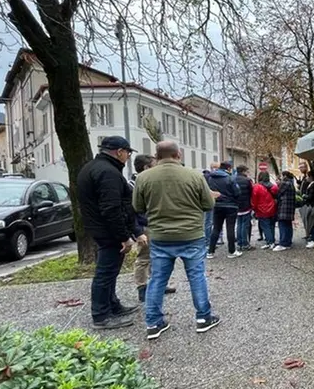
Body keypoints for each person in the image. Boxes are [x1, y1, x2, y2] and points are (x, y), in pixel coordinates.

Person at [132, 141, 220, 340]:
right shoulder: (194, 175)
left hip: (161, 236)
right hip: (191, 235)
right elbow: (208, 204)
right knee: (196, 276)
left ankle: (153, 323)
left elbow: (138, 206)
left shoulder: (143, 178)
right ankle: (203, 318)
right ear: (178, 155)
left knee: (157, 279)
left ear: (157, 155)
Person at [76, 136, 143, 330]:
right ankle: (101, 315)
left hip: (100, 228)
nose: (128, 157)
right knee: (105, 273)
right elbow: (112, 208)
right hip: (108, 231)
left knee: (110, 272)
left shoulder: (94, 167)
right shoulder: (108, 173)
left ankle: (112, 305)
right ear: (119, 151)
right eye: (128, 153)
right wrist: (124, 236)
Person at [128, 154, 176, 302]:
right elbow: (132, 212)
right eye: (154, 166)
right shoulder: (132, 186)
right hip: (144, 226)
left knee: (156, 257)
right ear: (146, 168)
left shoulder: (147, 182)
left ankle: (157, 285)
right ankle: (142, 288)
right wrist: (138, 231)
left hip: (153, 224)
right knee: (143, 257)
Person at [207, 162, 241, 258]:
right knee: (230, 228)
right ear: (229, 168)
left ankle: (210, 251)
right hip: (231, 205)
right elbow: (237, 192)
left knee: (216, 228)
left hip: (217, 205)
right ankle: (231, 251)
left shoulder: (211, 178)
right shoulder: (230, 178)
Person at [252, 171, 278, 249]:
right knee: (272, 226)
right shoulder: (274, 187)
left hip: (262, 210)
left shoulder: (257, 187)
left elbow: (254, 199)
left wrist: (254, 208)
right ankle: (272, 240)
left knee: (265, 227)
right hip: (273, 209)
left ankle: (270, 242)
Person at [274, 171, 296, 252]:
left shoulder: (284, 183)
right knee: (288, 225)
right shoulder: (291, 183)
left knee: (282, 225)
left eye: (282, 176)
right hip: (290, 208)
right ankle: (288, 242)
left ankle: (283, 243)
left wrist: (278, 184)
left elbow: (278, 193)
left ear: (285, 176)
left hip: (284, 208)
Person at [234, 165, 254, 251]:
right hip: (246, 205)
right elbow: (252, 192)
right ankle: (245, 243)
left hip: (236, 205)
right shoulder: (247, 180)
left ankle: (239, 243)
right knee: (245, 225)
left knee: (239, 224)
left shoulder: (232, 179)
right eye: (246, 171)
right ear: (243, 171)